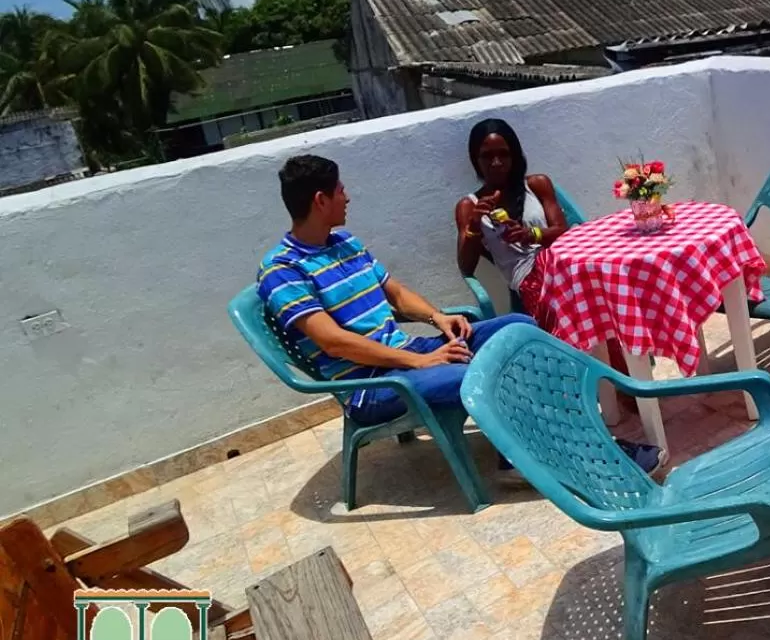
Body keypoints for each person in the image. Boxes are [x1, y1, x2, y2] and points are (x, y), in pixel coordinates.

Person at [257, 154, 536, 430]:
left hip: (406, 353)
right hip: (371, 385)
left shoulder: (345, 242)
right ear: (321, 200)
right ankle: (523, 456)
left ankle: (534, 437)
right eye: (341, 191)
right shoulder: (282, 269)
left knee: (520, 328)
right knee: (478, 374)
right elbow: (334, 342)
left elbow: (397, 294)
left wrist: (436, 318)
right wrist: (421, 362)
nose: (348, 198)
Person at [455, 118, 665, 478]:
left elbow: (561, 230)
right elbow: (466, 264)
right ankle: (606, 390)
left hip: (565, 264)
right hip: (530, 279)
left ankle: (624, 380)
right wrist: (474, 226)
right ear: (475, 161)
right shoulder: (469, 205)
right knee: (572, 317)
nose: (495, 163)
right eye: (486, 157)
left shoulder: (536, 184)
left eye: (503, 154)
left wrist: (532, 233)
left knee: (607, 296)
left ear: (515, 155)